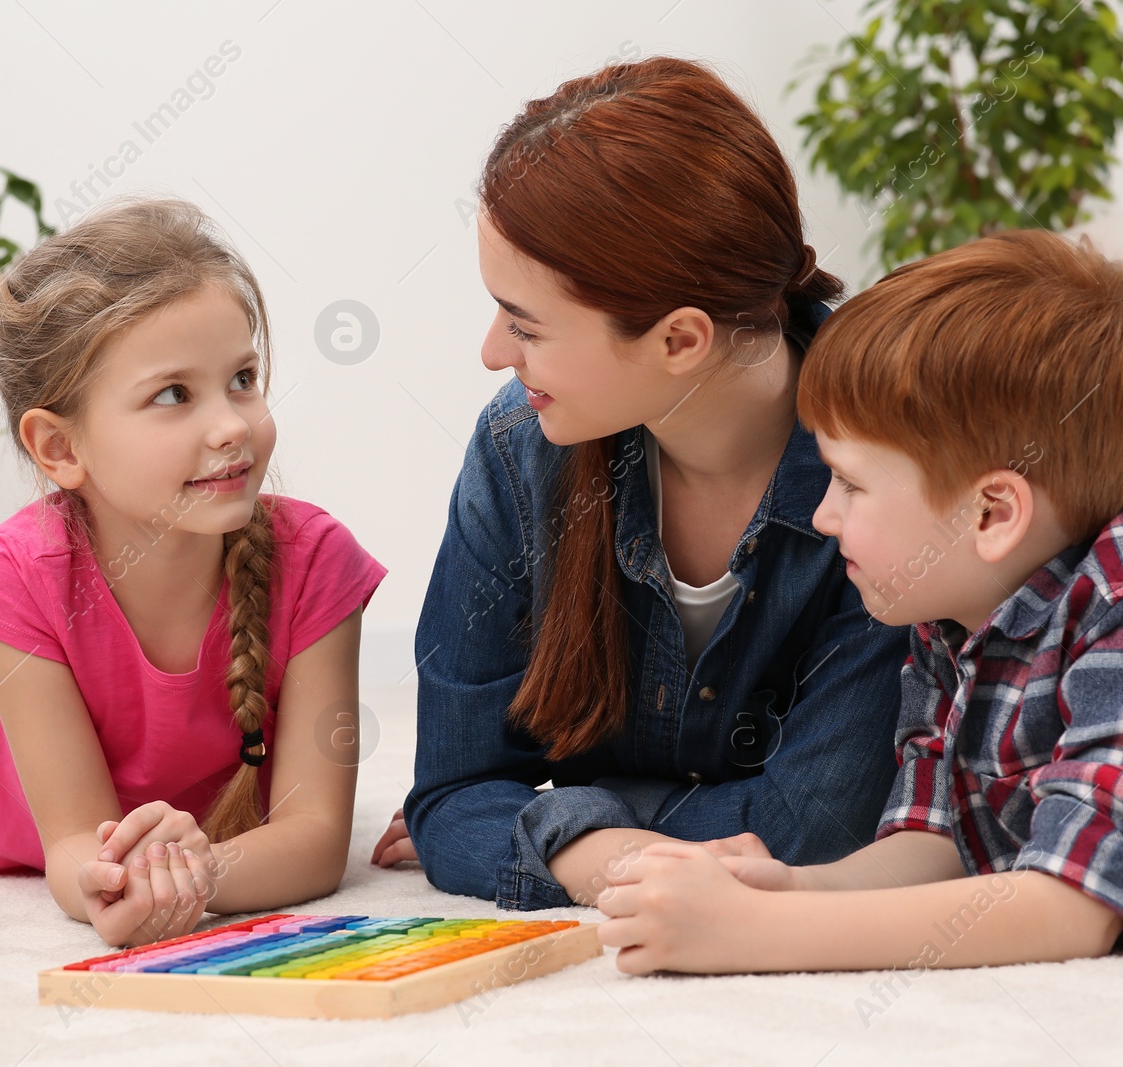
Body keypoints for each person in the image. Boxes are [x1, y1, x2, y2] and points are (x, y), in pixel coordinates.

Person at [594, 229, 1123, 974]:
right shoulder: (949, 600)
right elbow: (939, 837)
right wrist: (794, 884)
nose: (823, 516)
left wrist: (761, 931)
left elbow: (1072, 906)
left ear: (991, 514)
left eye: (850, 482)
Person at [369, 56, 912, 909]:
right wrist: (599, 848)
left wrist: (564, 826)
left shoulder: (899, 469)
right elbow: (453, 797)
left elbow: (816, 829)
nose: (493, 354)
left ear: (680, 340)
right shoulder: (519, 449)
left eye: (525, 326)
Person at [0, 197, 387, 946]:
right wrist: (109, 884)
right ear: (58, 447)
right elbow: (75, 842)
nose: (233, 425)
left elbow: (313, 839)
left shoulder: (316, 561)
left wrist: (197, 872)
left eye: (242, 378)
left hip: (222, 849)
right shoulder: (16, 578)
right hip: (73, 849)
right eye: (174, 394)